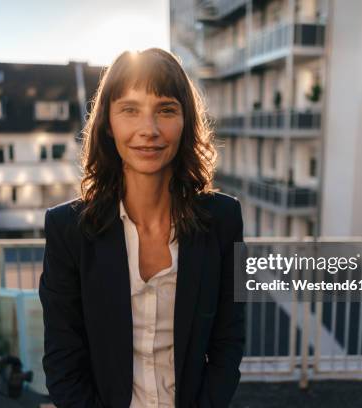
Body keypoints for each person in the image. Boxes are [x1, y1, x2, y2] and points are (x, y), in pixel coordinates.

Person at [39, 48, 245, 408]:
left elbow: (230, 339)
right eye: (130, 110)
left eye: (165, 110)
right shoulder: (66, 229)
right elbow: (63, 362)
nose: (148, 130)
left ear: (185, 122)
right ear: (108, 123)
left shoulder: (225, 219)